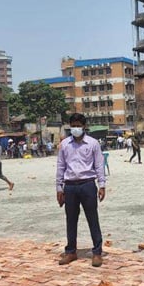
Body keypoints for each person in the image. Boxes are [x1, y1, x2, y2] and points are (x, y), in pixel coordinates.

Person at [55, 113, 106, 267]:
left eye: (79, 125)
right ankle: (71, 251)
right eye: (73, 125)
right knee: (71, 220)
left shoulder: (92, 144)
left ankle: (97, 252)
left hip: (88, 184)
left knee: (92, 218)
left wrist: (102, 185)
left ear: (84, 126)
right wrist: (59, 187)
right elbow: (60, 166)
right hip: (70, 186)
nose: (76, 128)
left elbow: (99, 165)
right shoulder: (65, 145)